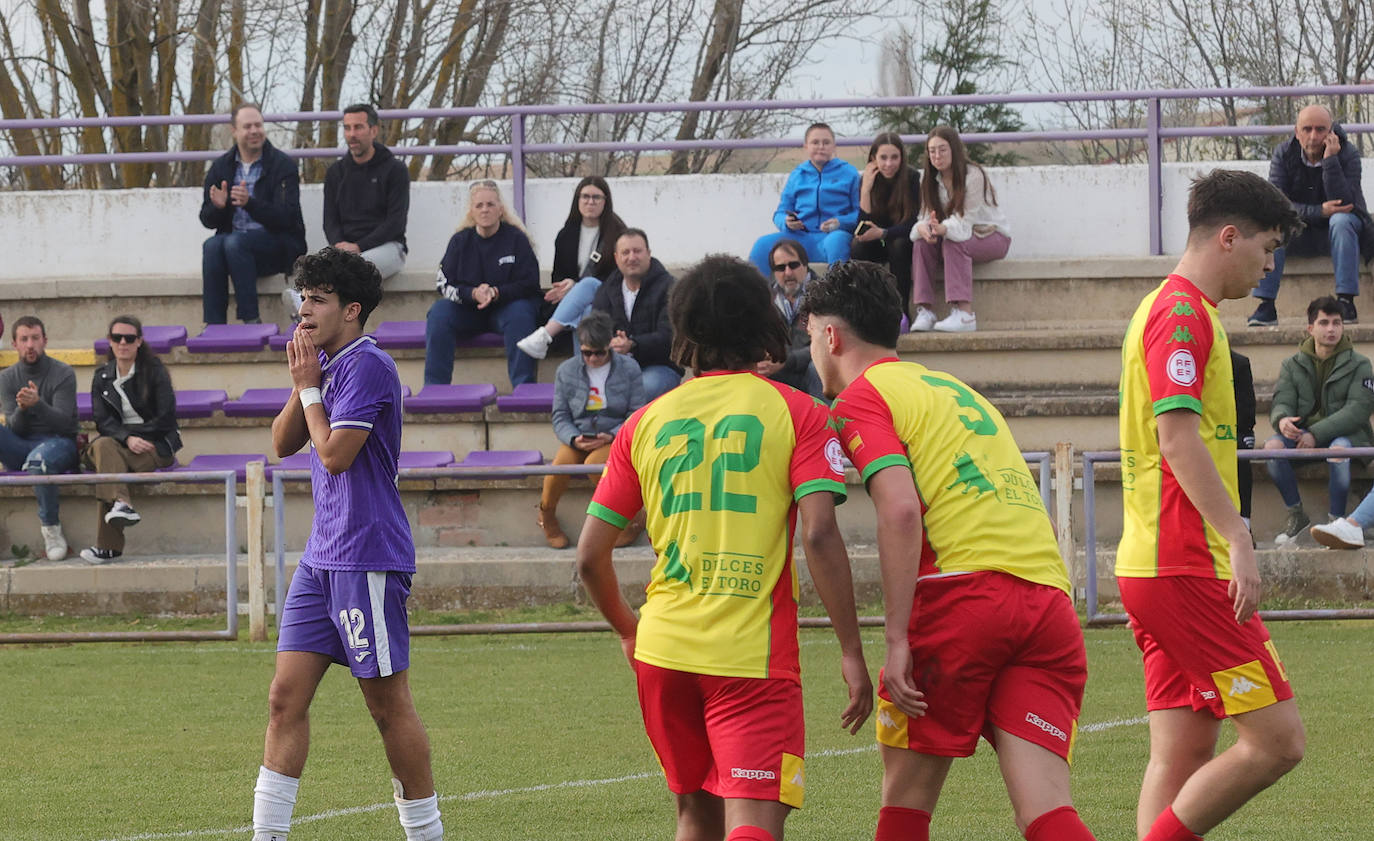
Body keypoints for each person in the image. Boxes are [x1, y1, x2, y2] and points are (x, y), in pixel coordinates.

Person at [576, 254, 872, 841]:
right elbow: (818, 532)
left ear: (684, 329)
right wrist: (851, 650)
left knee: (695, 816)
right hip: (749, 658)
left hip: (663, 649)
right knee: (754, 821)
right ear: (763, 323)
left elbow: (589, 557)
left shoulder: (645, 422)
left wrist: (629, 630)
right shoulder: (801, 413)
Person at [803, 261, 1098, 841]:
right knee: (1045, 809)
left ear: (831, 336)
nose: (811, 348)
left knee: (906, 801)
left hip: (961, 598)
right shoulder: (956, 388)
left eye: (810, 334)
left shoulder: (860, 400)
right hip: (1046, 601)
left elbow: (902, 510)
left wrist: (895, 640)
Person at [1117, 169, 1305, 841]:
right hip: (1186, 562)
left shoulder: (1168, 309)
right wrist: (1238, 535)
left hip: (1155, 563)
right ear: (1229, 237)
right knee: (1279, 741)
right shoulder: (1181, 312)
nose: (1269, 264)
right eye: (1267, 247)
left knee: (1184, 752)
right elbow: (1175, 436)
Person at [253, 248, 442, 841]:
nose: (303, 310)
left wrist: (312, 389)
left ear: (352, 309)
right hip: (321, 558)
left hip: (366, 556)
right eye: (301, 298)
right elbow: (282, 444)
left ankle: (426, 833)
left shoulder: (367, 365)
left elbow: (334, 455)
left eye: (318, 300)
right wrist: (303, 383)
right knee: (284, 698)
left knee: (387, 707)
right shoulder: (328, 365)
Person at [1261, 295, 1374, 544]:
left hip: (1350, 436)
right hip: (1304, 436)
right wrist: (1282, 421)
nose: (1331, 329)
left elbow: (1358, 410)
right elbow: (1282, 402)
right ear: (1310, 328)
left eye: (1336, 323)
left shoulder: (1361, 364)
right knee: (1272, 447)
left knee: (1339, 450)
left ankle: (1337, 521)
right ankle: (1297, 515)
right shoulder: (1292, 364)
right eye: (1324, 323)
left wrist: (1316, 434)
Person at [1248, 104, 1373, 326]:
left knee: (1341, 219)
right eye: (1307, 129)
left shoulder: (1348, 153)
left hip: (1340, 234)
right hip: (1298, 233)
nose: (1313, 136)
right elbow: (1277, 204)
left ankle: (1346, 302)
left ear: (1331, 131)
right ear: (1297, 132)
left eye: (1320, 129)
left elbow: (1345, 203)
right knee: (1274, 224)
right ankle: (1266, 306)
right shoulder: (1284, 154)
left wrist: (1330, 160)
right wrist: (1319, 211)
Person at [78, 315, 182, 565]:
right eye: (117, 338)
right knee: (104, 447)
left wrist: (136, 438)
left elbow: (166, 418)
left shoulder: (155, 372)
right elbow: (102, 422)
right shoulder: (101, 376)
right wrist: (127, 438)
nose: (123, 342)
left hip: (153, 445)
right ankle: (122, 503)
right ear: (109, 342)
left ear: (139, 342)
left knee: (106, 457)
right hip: (118, 443)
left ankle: (109, 547)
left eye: (129, 338)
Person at [537, 311, 644, 549]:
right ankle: (547, 515)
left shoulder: (629, 368)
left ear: (609, 346)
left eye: (599, 353)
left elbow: (635, 413)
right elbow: (560, 415)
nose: (593, 358)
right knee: (559, 469)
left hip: (613, 435)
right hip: (580, 434)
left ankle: (632, 519)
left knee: (596, 465)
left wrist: (613, 434)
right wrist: (574, 438)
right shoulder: (566, 371)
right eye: (587, 353)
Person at [424, 180, 541, 388]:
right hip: (468, 311)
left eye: (490, 205)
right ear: (471, 211)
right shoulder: (460, 241)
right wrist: (472, 294)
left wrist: (496, 292)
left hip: (506, 310)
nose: (485, 210)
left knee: (521, 313)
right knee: (439, 312)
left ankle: (524, 387)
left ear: (500, 209)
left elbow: (530, 283)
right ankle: (435, 388)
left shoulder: (517, 239)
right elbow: (443, 284)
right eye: (479, 205)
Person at [200, 103, 307, 325]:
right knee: (211, 246)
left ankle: (251, 319)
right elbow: (207, 219)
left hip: (277, 246)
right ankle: (214, 324)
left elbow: (288, 218)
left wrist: (250, 204)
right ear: (234, 131)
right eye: (247, 126)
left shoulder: (282, 165)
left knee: (234, 243)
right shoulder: (221, 167)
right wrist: (218, 208)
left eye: (258, 125)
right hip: (235, 249)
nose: (254, 131)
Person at [909, 126, 1011, 333]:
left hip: (992, 235)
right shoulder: (929, 180)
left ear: (954, 149)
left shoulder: (973, 175)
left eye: (943, 149)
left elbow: (964, 224)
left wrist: (942, 229)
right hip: (957, 233)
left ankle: (964, 314)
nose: (937, 156)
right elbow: (924, 218)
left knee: (953, 240)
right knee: (921, 242)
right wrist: (924, 228)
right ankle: (925, 310)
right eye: (932, 151)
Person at [516, 176, 627, 360]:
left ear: (605, 202)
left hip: (611, 299)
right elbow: (558, 275)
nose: (590, 202)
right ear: (577, 200)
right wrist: (566, 286)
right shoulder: (566, 235)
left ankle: (546, 336)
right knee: (585, 312)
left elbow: (619, 277)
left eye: (596, 197)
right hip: (578, 305)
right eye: (585, 197)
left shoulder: (618, 234)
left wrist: (577, 287)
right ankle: (582, 368)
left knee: (589, 285)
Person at [0, 316, 78, 561]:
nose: (30, 345)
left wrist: (38, 404)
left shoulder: (63, 373)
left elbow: (65, 423)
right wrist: (23, 408)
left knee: (38, 461)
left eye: (35, 338)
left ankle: (51, 530)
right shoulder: (7, 378)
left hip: (59, 443)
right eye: (24, 339)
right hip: (22, 444)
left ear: (45, 341)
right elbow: (15, 428)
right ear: (14, 344)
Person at [748, 122, 861, 278]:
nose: (821, 146)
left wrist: (840, 222)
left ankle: (837, 294)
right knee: (762, 245)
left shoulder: (849, 173)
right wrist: (786, 223)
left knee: (838, 242)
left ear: (834, 146)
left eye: (826, 142)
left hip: (832, 236)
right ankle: (758, 297)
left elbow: (860, 213)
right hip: (800, 238)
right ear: (806, 146)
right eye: (815, 142)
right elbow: (780, 212)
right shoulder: (797, 175)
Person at [319, 104, 410, 281]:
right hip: (345, 252)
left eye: (358, 127)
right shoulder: (335, 173)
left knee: (355, 270)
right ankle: (304, 303)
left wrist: (359, 246)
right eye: (347, 128)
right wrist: (339, 246)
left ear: (373, 130)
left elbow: (395, 222)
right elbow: (330, 221)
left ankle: (302, 304)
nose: (352, 134)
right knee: (318, 267)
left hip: (389, 248)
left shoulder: (395, 170)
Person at [590, 228, 681, 400]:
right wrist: (611, 343)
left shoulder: (669, 288)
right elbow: (595, 328)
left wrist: (633, 344)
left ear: (648, 254)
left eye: (637, 251)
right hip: (615, 366)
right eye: (625, 252)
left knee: (641, 390)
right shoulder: (607, 289)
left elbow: (670, 337)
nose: (631, 257)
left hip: (659, 367)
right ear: (616, 258)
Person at [850, 132, 921, 312]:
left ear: (902, 158)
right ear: (874, 158)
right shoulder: (867, 179)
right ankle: (866, 309)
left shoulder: (912, 178)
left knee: (898, 245)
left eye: (894, 157)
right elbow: (862, 228)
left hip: (902, 239)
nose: (888, 164)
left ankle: (901, 311)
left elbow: (912, 223)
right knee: (858, 246)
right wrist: (866, 190)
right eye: (883, 158)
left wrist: (884, 233)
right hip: (878, 242)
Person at [757, 239, 823, 399]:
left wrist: (787, 360)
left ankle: (826, 421)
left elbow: (825, 345)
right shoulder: (762, 297)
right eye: (780, 268)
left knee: (818, 367)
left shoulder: (824, 294)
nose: (787, 272)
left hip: (809, 368)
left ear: (805, 265)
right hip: (777, 369)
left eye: (793, 265)